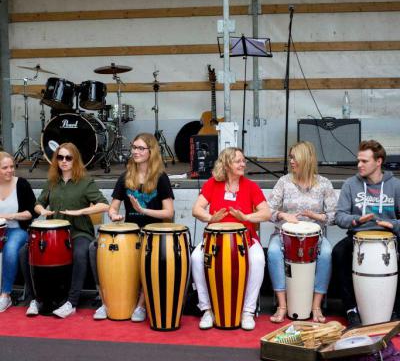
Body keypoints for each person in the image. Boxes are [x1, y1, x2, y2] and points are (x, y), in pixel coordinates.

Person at [90, 132, 174, 321]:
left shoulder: (161, 178)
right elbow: (113, 206)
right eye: (134, 148)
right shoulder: (125, 177)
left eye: (140, 148)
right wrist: (113, 214)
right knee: (92, 249)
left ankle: (140, 306)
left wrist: (143, 211)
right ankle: (106, 302)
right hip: (130, 233)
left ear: (151, 152)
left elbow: (168, 212)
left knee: (149, 255)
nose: (135, 152)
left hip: (153, 233)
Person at [21, 142, 109, 318]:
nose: (64, 161)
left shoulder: (85, 182)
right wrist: (42, 211)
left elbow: (104, 205)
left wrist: (81, 211)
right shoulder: (52, 181)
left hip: (78, 232)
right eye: (60, 157)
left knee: (80, 253)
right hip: (53, 234)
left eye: (68, 157)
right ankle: (35, 299)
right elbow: (38, 204)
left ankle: (72, 302)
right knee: (25, 252)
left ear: (75, 159)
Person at [191, 147, 270, 331]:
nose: (243, 164)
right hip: (215, 240)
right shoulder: (212, 184)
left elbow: (266, 213)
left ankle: (247, 312)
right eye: (238, 161)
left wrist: (247, 218)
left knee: (258, 259)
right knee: (196, 258)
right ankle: (207, 309)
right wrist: (211, 218)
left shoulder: (250, 186)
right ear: (227, 164)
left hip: (245, 239)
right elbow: (196, 209)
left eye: (244, 161)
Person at [267, 141, 336, 323]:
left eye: (294, 157)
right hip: (285, 236)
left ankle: (316, 306)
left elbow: (334, 216)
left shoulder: (324, 184)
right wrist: (283, 215)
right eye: (290, 157)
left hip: (315, 237)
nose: (291, 161)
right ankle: (282, 305)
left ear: (305, 159)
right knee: (273, 252)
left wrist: (317, 216)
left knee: (327, 253)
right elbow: (267, 210)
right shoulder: (284, 182)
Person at [333, 140, 400, 327]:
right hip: (358, 236)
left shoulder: (395, 185)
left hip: (389, 237)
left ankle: (395, 309)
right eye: (358, 160)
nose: (359, 165)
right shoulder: (350, 184)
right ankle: (351, 309)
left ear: (378, 162)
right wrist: (356, 220)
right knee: (338, 253)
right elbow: (339, 216)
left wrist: (393, 224)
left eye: (364, 161)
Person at [0, 152, 36, 312]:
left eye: (11, 167)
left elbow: (32, 212)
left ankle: (5, 295)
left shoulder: (21, 184)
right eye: (4, 168)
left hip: (17, 229)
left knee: (11, 249)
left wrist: (9, 216)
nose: (9, 170)